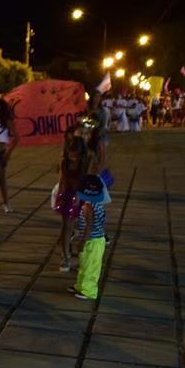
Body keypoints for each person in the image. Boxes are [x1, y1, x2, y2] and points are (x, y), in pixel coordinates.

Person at [54, 125, 87, 272]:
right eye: (70, 154)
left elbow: (84, 180)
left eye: (75, 155)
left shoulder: (85, 161)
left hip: (81, 193)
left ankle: (85, 253)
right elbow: (62, 180)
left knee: (83, 225)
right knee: (66, 225)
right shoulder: (64, 161)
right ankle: (66, 255)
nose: (72, 157)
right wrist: (60, 196)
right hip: (67, 192)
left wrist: (79, 197)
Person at [72, 174, 107, 301]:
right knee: (85, 264)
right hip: (95, 240)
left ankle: (89, 291)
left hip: (92, 241)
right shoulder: (96, 203)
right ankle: (80, 286)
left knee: (91, 267)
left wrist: (82, 241)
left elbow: (89, 226)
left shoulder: (88, 206)